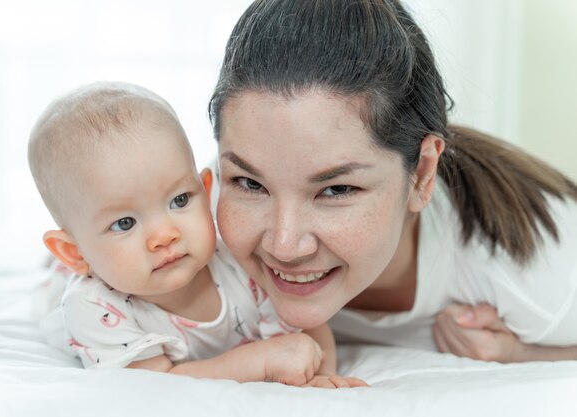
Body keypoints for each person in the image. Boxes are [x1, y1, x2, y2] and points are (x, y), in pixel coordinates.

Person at [207, 0, 577, 363]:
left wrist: (525, 353)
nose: (285, 247)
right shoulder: (187, 226)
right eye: (250, 184)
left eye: (336, 189)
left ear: (421, 174)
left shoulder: (543, 275)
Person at [28, 81, 366, 387]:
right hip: (76, 291)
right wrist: (258, 361)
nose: (164, 235)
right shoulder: (94, 307)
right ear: (75, 252)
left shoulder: (240, 261)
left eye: (179, 200)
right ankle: (59, 268)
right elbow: (152, 386)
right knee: (54, 289)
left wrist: (320, 378)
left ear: (206, 193)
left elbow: (308, 330)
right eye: (125, 223)